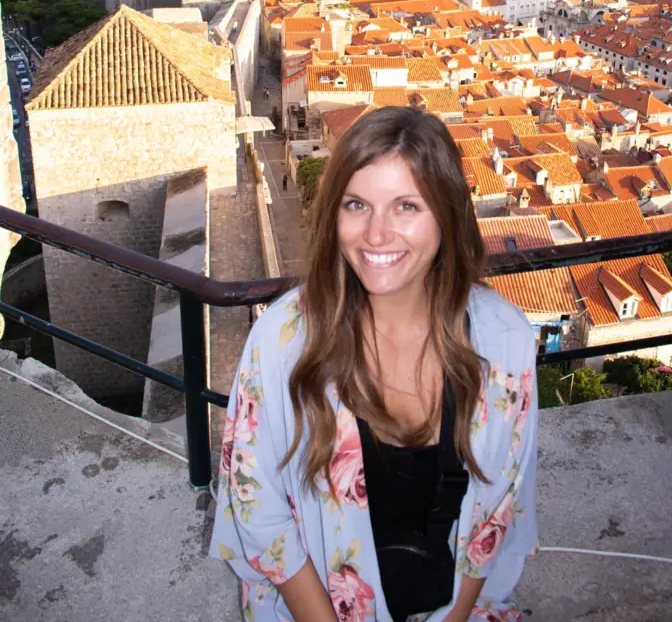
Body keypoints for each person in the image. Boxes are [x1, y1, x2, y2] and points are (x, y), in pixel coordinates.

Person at [210, 106, 538, 621]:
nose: (377, 235)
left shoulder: (504, 343)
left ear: (448, 216)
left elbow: (497, 509)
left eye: (407, 206)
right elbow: (258, 508)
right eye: (357, 204)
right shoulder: (283, 339)